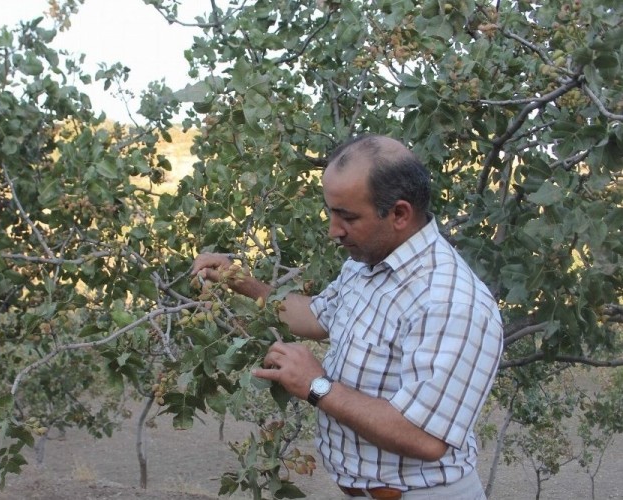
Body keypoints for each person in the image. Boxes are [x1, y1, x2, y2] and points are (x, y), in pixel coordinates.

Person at [192, 134, 503, 499]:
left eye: (348, 217)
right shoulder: (367, 264)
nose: (333, 231)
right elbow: (315, 317)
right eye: (331, 213)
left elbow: (425, 436)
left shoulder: (451, 302)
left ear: (400, 214)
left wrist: (317, 385)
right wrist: (240, 281)